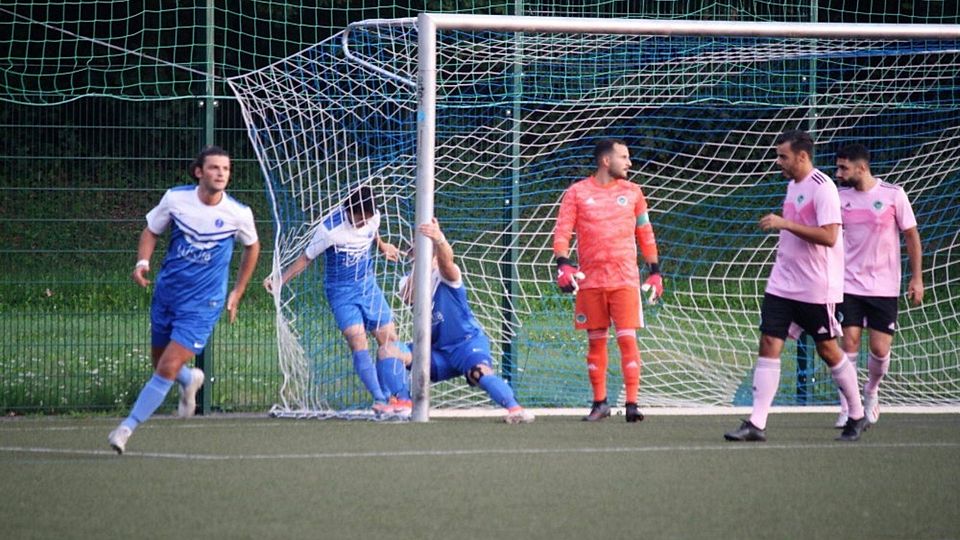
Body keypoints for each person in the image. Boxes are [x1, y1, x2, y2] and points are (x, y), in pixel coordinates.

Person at [108, 146, 261, 454]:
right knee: (161, 363)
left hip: (203, 304)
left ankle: (126, 428)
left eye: (226, 169)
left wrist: (238, 290)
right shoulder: (176, 199)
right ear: (199, 172)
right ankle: (190, 379)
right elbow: (151, 231)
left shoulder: (238, 214)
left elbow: (252, 247)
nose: (221, 173)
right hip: (167, 295)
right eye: (215, 168)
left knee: (165, 367)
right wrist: (142, 263)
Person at [724, 130, 867, 442]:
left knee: (828, 350)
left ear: (802, 157)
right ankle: (756, 423)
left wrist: (785, 223)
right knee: (769, 344)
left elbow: (830, 236)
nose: (779, 162)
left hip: (816, 287)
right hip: (782, 284)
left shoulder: (823, 188)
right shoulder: (792, 186)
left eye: (783, 156)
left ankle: (856, 413)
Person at [263, 186, 411, 418]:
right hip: (341, 293)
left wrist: (382, 246)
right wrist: (280, 279)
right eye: (358, 219)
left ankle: (397, 397)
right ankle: (380, 399)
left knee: (390, 340)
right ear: (348, 210)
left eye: (367, 219)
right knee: (357, 340)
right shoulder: (329, 230)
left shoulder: (374, 218)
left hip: (368, 286)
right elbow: (305, 258)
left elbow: (373, 232)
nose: (363, 223)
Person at [552, 138, 663, 423]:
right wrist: (563, 264)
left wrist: (655, 271)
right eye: (623, 157)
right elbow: (563, 231)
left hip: (625, 280)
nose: (629, 162)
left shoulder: (634, 192)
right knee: (596, 342)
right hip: (590, 281)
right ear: (606, 160)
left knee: (628, 340)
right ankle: (599, 403)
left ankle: (632, 404)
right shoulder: (577, 192)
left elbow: (645, 233)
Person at [397, 218, 534, 424]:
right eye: (415, 252)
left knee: (479, 373)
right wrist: (420, 261)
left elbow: (447, 263)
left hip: (466, 344)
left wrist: (439, 240)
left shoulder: (447, 276)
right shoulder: (407, 281)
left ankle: (515, 409)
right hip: (436, 353)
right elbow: (409, 296)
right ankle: (401, 405)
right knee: (390, 351)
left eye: (427, 251)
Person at [832, 143, 923, 427]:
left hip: (884, 287)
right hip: (848, 284)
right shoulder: (839, 198)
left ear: (862, 168)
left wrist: (917, 277)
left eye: (844, 168)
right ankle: (849, 405)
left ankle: (871, 393)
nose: (839, 173)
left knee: (880, 350)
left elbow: (911, 236)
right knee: (848, 342)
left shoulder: (893, 195)